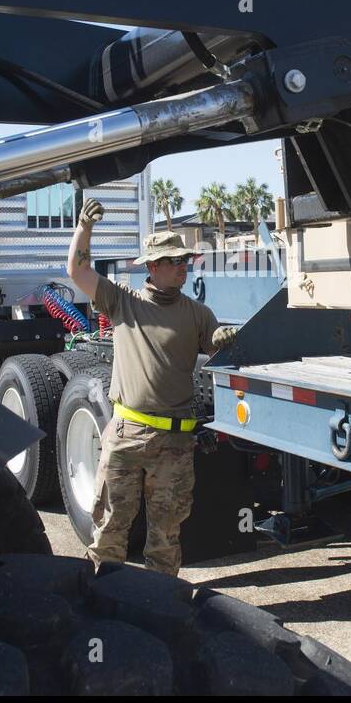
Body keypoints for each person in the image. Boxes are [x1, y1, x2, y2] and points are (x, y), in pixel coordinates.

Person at [65, 198, 237, 577]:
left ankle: (160, 603)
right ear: (153, 267)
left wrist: (223, 338)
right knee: (111, 529)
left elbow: (212, 343)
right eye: (175, 261)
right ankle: (101, 597)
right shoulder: (124, 302)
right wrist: (84, 228)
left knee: (165, 537)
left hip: (175, 445)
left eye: (185, 261)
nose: (183, 267)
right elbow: (78, 270)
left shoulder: (197, 313)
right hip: (128, 437)